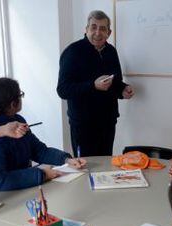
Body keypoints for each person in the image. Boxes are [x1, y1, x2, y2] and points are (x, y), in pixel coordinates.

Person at [0, 77, 86, 191]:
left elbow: (38, 150)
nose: (21, 98)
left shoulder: (18, 120)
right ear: (13, 104)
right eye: (20, 95)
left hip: (20, 187)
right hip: (0, 196)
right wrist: (43, 174)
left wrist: (66, 160)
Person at [57, 10, 134, 157]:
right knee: (87, 167)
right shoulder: (72, 52)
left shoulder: (111, 51)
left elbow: (115, 82)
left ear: (109, 33)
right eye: (93, 27)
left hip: (108, 121)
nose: (97, 32)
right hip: (83, 124)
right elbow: (62, 90)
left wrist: (123, 90)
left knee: (105, 165)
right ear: (86, 30)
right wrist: (92, 85)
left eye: (102, 28)